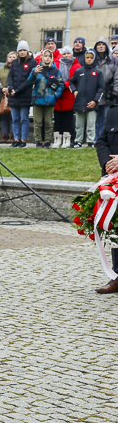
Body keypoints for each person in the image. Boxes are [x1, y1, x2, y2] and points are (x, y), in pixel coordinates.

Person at [94, 104, 118, 293]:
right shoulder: (114, 111)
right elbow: (102, 141)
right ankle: (117, 276)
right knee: (116, 228)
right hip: (115, 180)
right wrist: (107, 163)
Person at [72, 49, 104, 148]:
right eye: (87, 57)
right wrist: (74, 91)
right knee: (79, 125)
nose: (89, 59)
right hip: (80, 102)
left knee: (91, 124)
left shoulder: (98, 72)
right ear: (84, 58)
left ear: (94, 59)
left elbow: (101, 88)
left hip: (91, 103)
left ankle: (90, 142)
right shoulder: (79, 71)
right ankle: (78, 141)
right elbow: (71, 82)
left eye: (91, 58)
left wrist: (95, 100)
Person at [8, 41, 37, 146]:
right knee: (15, 118)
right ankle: (16, 139)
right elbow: (10, 76)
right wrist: (11, 88)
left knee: (24, 118)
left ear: (27, 51)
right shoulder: (15, 63)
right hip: (13, 95)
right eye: (20, 50)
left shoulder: (32, 62)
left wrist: (18, 90)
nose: (22, 52)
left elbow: (30, 80)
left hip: (24, 94)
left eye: (24, 50)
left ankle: (23, 139)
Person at [54, 46, 79, 148]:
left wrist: (65, 85)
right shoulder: (57, 64)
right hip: (58, 95)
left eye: (68, 53)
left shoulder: (76, 66)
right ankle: (57, 138)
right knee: (57, 118)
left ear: (72, 54)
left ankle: (68, 138)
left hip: (69, 95)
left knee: (68, 118)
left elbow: (75, 80)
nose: (66, 55)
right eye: (64, 54)